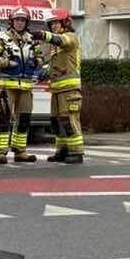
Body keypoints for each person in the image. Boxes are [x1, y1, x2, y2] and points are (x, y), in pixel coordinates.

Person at [0, 6, 41, 164]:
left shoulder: (32, 39)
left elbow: (40, 58)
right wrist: (7, 62)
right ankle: (1, 153)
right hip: (6, 85)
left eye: (23, 20)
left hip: (26, 86)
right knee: (3, 119)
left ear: (27, 22)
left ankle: (20, 151)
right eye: (17, 20)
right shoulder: (1, 39)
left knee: (24, 119)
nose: (20, 23)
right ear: (11, 21)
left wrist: (37, 62)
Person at [37, 9, 84, 164]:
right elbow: (57, 66)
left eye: (56, 23)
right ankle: (62, 150)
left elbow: (60, 40)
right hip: (57, 89)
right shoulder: (55, 47)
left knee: (69, 120)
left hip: (69, 90)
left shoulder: (70, 38)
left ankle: (76, 152)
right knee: (56, 122)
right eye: (51, 24)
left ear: (65, 23)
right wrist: (46, 73)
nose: (53, 26)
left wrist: (44, 35)